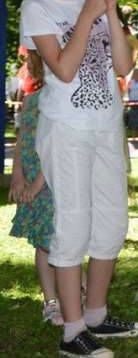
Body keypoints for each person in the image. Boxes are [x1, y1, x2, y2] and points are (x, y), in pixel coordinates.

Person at [20, 0, 138, 357]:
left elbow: (122, 66)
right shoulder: (37, 7)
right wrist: (89, 15)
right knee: (72, 223)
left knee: (112, 220)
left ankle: (96, 315)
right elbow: (63, 68)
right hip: (67, 128)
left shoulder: (96, 2)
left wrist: (109, 12)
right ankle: (72, 332)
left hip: (105, 125)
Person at [8, 50, 64, 326]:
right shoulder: (30, 100)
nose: (26, 64)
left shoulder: (61, 101)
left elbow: (56, 146)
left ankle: (80, 293)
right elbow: (22, 141)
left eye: (30, 58)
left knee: (60, 239)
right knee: (43, 242)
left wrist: (38, 183)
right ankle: (51, 302)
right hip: (31, 181)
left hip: (52, 181)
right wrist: (17, 177)